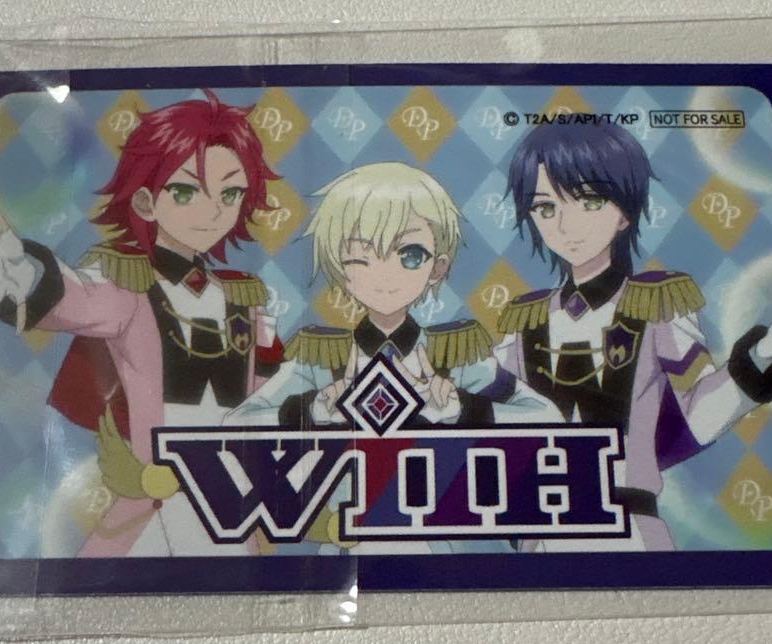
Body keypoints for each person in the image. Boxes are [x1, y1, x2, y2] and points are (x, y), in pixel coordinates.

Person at [0, 90, 283, 557]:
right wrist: (25, 272)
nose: (213, 210)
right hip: (155, 500)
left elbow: (268, 400)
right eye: (186, 191)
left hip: (233, 506)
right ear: (145, 202)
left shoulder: (244, 297)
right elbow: (73, 297)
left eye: (230, 193)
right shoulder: (130, 286)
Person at [495, 122, 772, 551]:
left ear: (625, 211)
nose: (564, 224)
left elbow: (694, 414)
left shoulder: (656, 303)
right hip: (540, 535)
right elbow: (499, 428)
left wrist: (763, 352)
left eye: (589, 201)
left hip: (628, 528)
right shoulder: (525, 321)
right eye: (545, 208)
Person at [225, 162, 562, 553]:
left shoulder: (452, 354)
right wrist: (311, 410)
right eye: (361, 255)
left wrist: (465, 410)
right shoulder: (321, 357)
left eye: (410, 255)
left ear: (438, 267)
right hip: (345, 544)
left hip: (444, 546)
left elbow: (547, 419)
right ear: (339, 265)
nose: (384, 274)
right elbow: (235, 427)